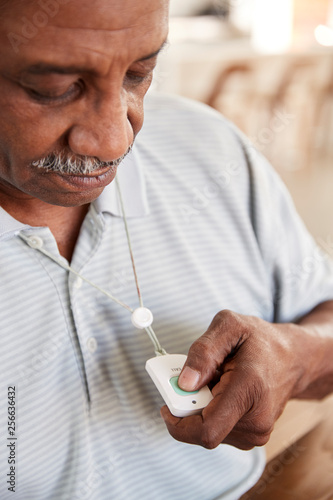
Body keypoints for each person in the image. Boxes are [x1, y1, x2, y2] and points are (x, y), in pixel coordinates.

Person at [0, 0, 333, 499]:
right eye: (55, 89)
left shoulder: (212, 150)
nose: (115, 140)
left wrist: (298, 354)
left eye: (140, 73)